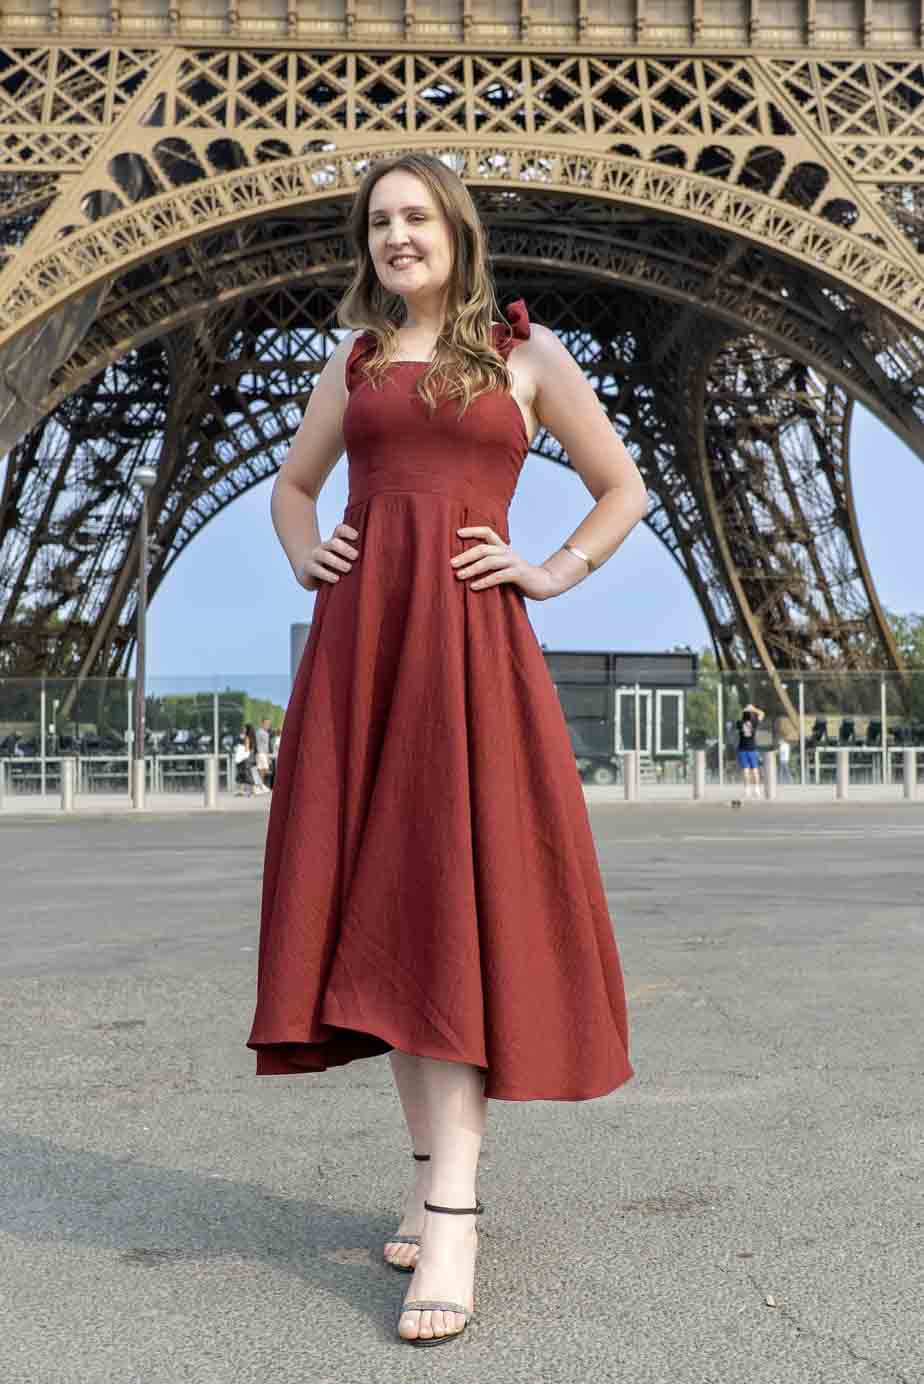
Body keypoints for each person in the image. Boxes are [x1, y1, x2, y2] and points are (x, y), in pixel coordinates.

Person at [245, 153, 648, 1347]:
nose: (397, 236)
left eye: (416, 216)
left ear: (456, 232)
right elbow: (293, 486)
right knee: (390, 912)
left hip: (472, 651)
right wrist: (304, 550)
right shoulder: (355, 360)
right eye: (379, 222)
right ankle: (434, 1180)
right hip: (364, 651)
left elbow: (619, 487)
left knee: (453, 902)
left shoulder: (527, 357)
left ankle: (455, 1210)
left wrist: (550, 570)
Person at [736, 702, 765, 799]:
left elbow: (740, 716)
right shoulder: (754, 722)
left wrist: (746, 709)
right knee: (755, 770)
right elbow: (762, 714)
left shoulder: (739, 723)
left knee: (745, 770)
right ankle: (756, 790)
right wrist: (753, 709)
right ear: (751, 714)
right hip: (752, 749)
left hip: (742, 749)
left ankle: (747, 790)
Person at [254, 717, 272, 787]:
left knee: (262, 769)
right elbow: (264, 746)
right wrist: (267, 756)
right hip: (262, 753)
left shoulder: (261, 732)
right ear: (262, 724)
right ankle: (260, 785)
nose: (268, 725)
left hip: (261, 753)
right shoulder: (262, 733)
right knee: (263, 770)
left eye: (269, 724)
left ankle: (260, 785)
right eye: (266, 723)